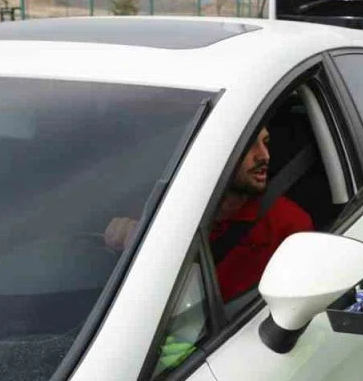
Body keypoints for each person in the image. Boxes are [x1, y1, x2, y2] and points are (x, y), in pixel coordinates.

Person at [104, 126, 313, 301]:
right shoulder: (163, 210)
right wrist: (124, 248)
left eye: (266, 143)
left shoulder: (289, 223)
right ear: (213, 153)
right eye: (250, 144)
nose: (264, 156)